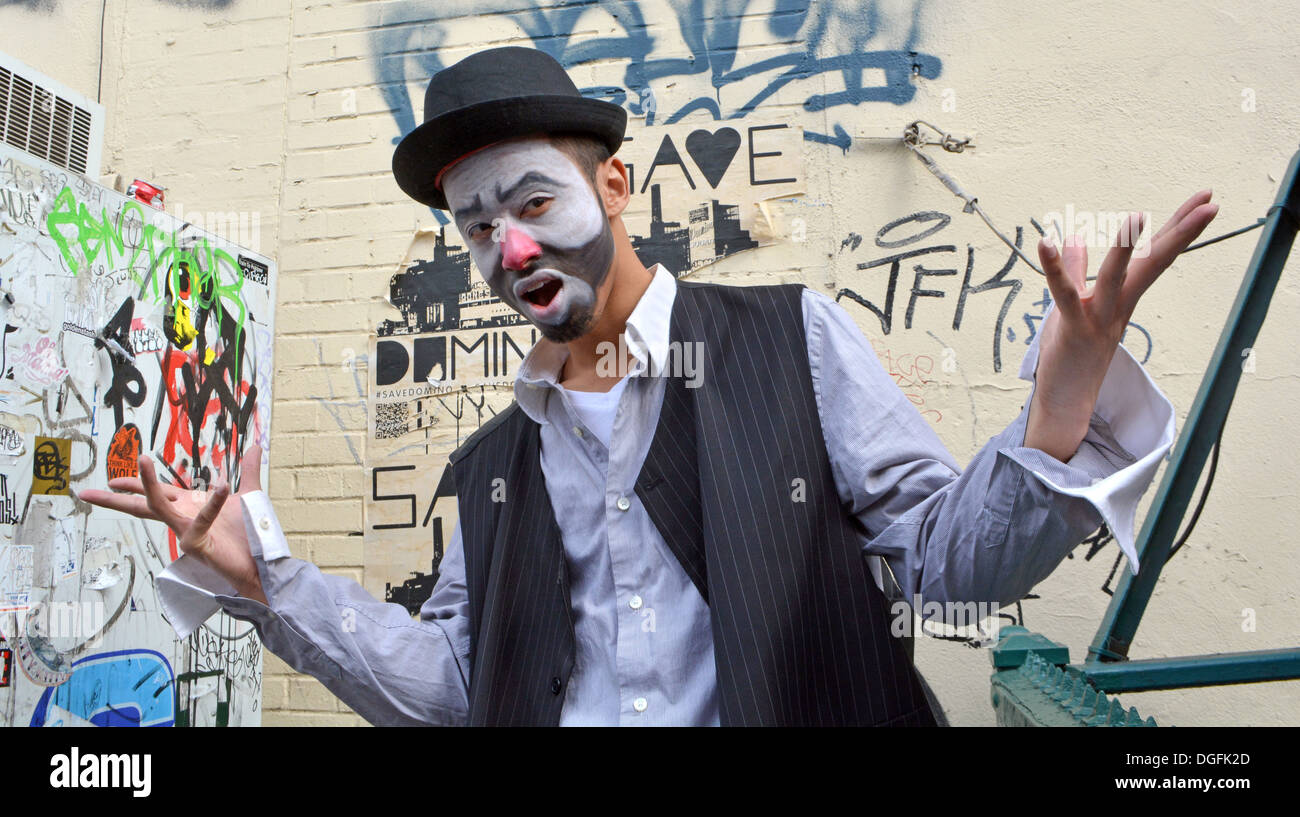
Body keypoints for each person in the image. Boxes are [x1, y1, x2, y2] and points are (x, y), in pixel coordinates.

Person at [79, 46, 1219, 726]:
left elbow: (943, 565)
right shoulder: (488, 470)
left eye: (531, 204)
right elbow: (456, 690)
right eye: (476, 227)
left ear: (614, 184)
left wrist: (1060, 406)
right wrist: (265, 578)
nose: (507, 250)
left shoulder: (791, 339)